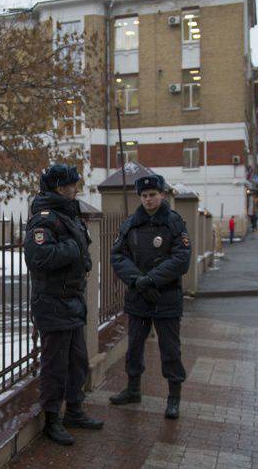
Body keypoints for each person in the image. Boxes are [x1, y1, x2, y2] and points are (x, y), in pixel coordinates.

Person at [23, 164, 104, 446]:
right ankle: (52, 419)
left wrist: (83, 258)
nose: (76, 188)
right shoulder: (44, 219)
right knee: (55, 365)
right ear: (59, 187)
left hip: (73, 302)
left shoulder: (70, 215)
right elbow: (38, 258)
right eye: (72, 184)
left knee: (77, 363)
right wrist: (74, 250)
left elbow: (82, 250)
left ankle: (75, 410)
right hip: (53, 304)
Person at [109, 175, 192, 419]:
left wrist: (152, 279)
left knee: (170, 351)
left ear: (162, 195)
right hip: (139, 298)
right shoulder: (131, 224)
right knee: (134, 347)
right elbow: (118, 256)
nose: (148, 199)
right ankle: (133, 390)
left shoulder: (174, 223)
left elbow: (181, 259)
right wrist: (138, 280)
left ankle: (174, 397)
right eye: (144, 196)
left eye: (152, 195)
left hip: (166, 298)